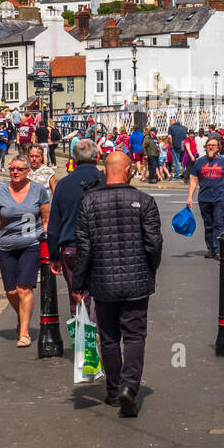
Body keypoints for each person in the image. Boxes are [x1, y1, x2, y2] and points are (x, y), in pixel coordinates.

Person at [71, 152, 163, 417]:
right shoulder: (145, 201)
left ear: (104, 170)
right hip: (137, 281)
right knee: (134, 336)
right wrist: (150, 269)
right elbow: (154, 244)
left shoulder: (88, 202)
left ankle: (113, 391)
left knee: (110, 338)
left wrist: (79, 283)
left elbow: (84, 248)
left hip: (103, 281)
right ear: (128, 170)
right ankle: (129, 387)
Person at [0, 157, 51, 348]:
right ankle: (21, 315)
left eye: (19, 169)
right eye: (12, 168)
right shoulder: (0, 192)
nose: (14, 172)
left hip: (31, 245)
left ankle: (24, 332)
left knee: (24, 287)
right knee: (11, 291)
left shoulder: (38, 191)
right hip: (6, 247)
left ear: (27, 171)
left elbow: (46, 219)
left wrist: (48, 244)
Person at [48, 139, 104, 308]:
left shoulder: (63, 184)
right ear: (98, 157)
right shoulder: (105, 181)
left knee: (78, 297)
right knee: (104, 297)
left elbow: (54, 225)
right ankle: (100, 331)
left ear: (73, 158)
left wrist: (54, 256)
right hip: (101, 247)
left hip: (71, 247)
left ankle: (83, 333)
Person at [186, 136, 224, 259]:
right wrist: (190, 197)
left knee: (218, 223)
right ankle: (211, 249)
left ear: (218, 148)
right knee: (208, 224)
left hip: (219, 199)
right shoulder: (199, 162)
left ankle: (219, 250)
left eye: (213, 145)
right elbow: (193, 180)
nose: (210, 147)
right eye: (208, 145)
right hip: (204, 199)